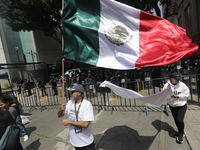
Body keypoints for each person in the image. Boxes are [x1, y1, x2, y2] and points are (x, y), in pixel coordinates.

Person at [58, 84, 96, 150]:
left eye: (73, 92)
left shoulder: (87, 104)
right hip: (75, 141)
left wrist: (69, 122)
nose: (71, 93)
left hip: (86, 142)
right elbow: (59, 115)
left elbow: (86, 124)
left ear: (79, 93)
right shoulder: (70, 102)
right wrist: (61, 110)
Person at [163, 72, 190, 144]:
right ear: (171, 79)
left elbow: (187, 94)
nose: (178, 80)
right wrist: (170, 96)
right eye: (176, 79)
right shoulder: (166, 86)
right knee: (176, 120)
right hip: (173, 106)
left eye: (179, 79)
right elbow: (163, 95)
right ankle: (180, 132)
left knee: (179, 120)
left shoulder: (182, 85)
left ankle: (181, 134)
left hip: (182, 105)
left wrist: (178, 96)